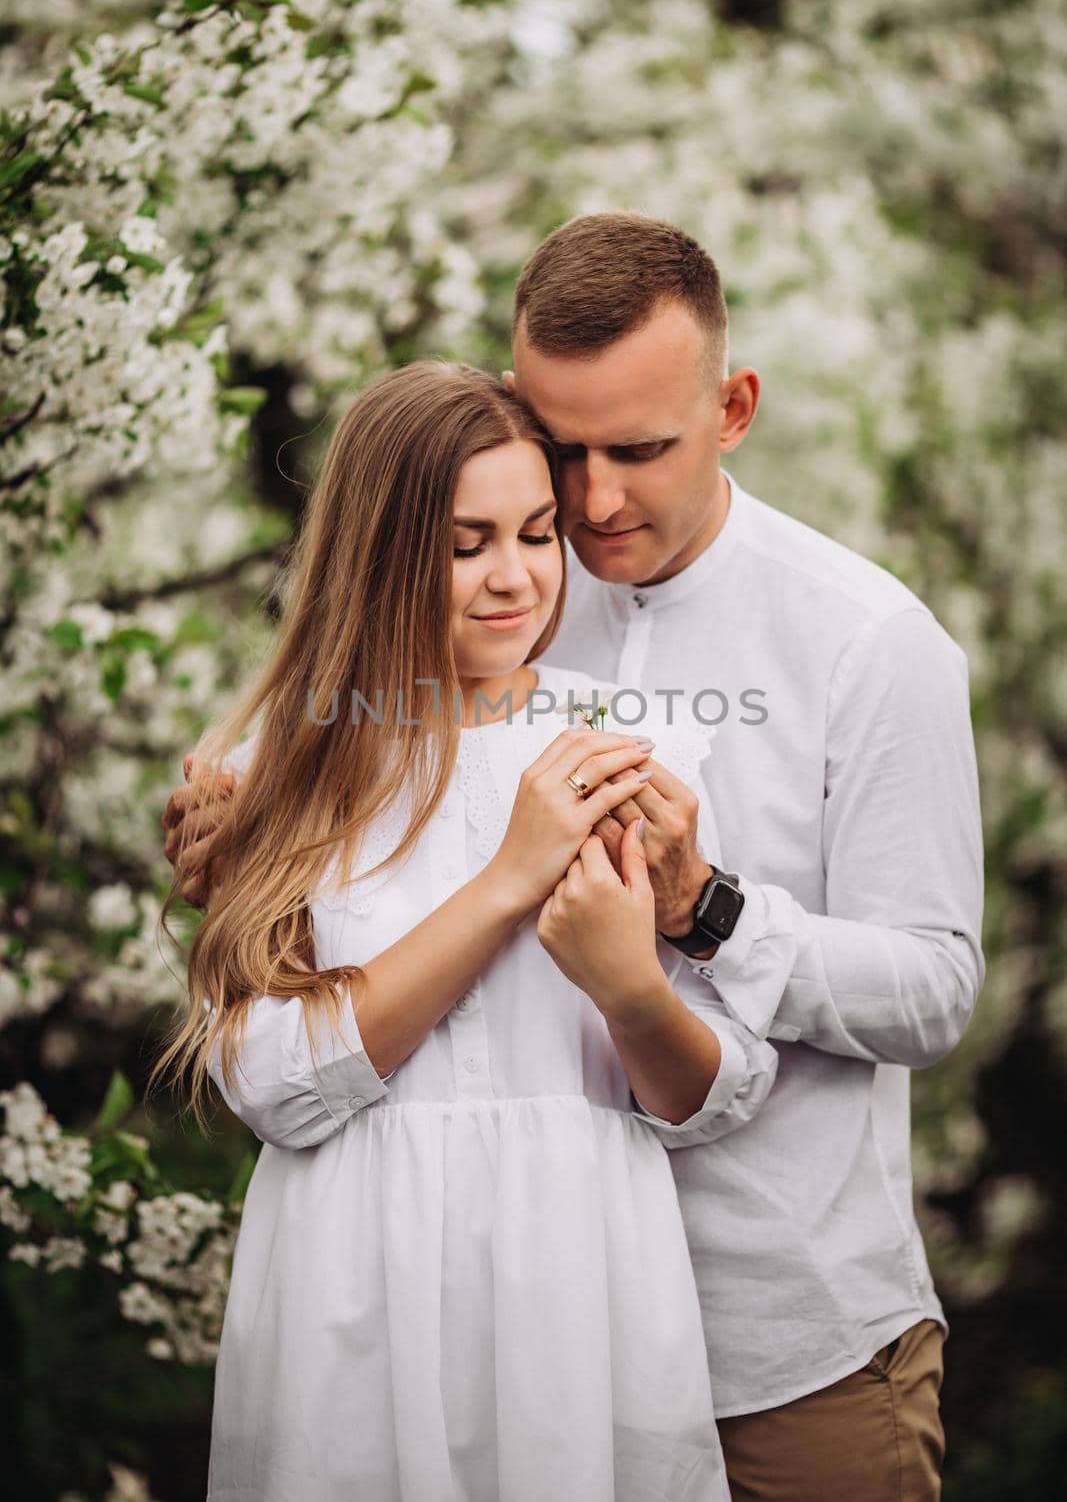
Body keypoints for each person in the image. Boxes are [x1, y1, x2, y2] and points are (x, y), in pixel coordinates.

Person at [164, 214, 985, 1502]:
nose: (593, 502)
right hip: (493, 1331)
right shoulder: (505, 581)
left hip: (787, 1330)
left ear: (733, 407)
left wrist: (702, 910)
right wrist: (244, 829)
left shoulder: (865, 643)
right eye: (564, 454)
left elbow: (933, 991)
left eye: (640, 450)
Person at [155, 361, 777, 1502]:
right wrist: (506, 882)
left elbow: (714, 1095)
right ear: (381, 552)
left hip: (578, 1280)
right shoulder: (276, 771)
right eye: (464, 544)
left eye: (536, 534)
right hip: (355, 1287)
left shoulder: (627, 749)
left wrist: (631, 992)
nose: (515, 578)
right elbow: (273, 1083)